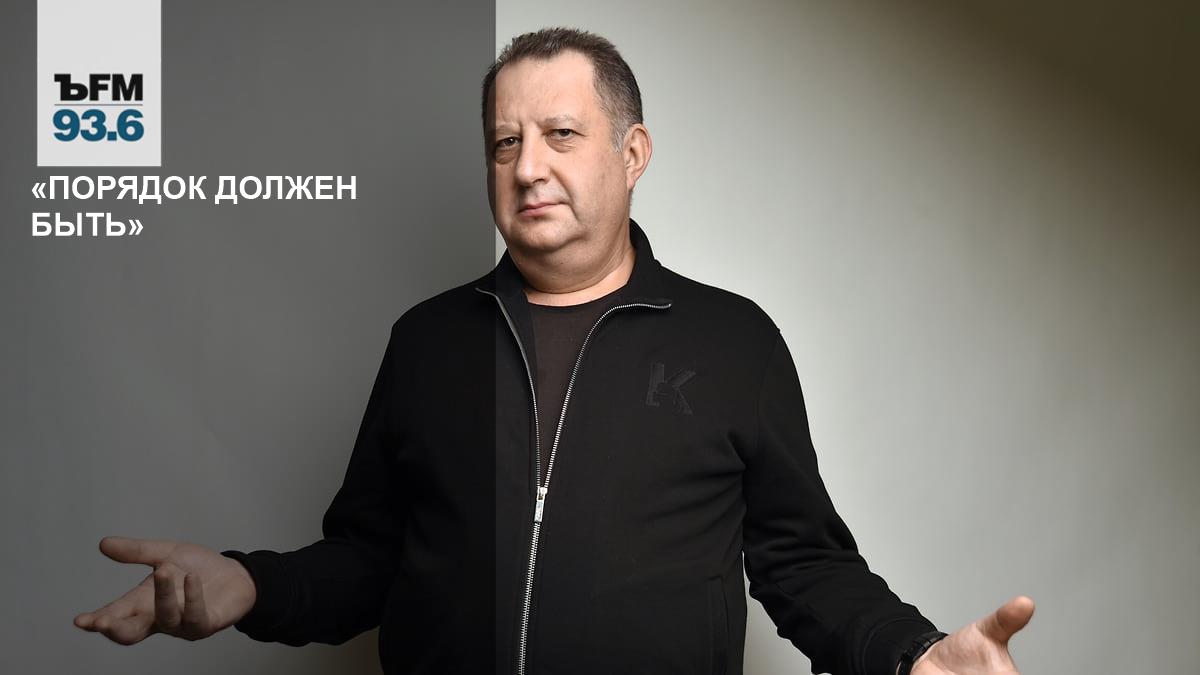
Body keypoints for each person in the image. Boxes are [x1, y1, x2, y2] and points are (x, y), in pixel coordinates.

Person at [74, 27, 1034, 675]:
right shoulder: (427, 342)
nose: (527, 166)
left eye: (561, 134)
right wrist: (249, 583)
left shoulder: (734, 340)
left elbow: (803, 563)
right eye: (504, 143)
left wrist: (911, 654)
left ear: (633, 152)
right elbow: (368, 559)